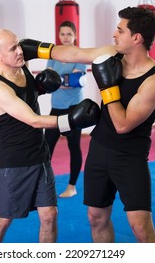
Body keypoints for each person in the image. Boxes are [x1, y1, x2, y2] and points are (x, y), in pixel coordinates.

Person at [20, 6, 155, 243]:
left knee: (140, 227)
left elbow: (122, 124)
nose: (114, 34)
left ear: (136, 38)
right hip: (99, 149)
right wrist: (35, 49)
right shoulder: (113, 54)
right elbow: (71, 54)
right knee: (96, 218)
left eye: (120, 30)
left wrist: (107, 88)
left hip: (130, 157)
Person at [0, 29, 100, 243]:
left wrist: (39, 87)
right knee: (3, 219)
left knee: (49, 215)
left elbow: (61, 55)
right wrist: (71, 120)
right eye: (13, 49)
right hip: (14, 163)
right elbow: (33, 119)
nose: (20, 51)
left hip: (39, 155)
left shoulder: (21, 67)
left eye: (18, 45)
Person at [45, 20, 87, 198]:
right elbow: (48, 81)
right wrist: (62, 81)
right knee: (46, 147)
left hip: (73, 108)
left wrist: (56, 81)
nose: (65, 37)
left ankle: (72, 186)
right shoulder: (53, 55)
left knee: (73, 145)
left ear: (75, 36)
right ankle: (44, 184)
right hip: (56, 107)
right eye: (63, 34)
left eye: (69, 34)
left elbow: (74, 83)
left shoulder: (80, 55)